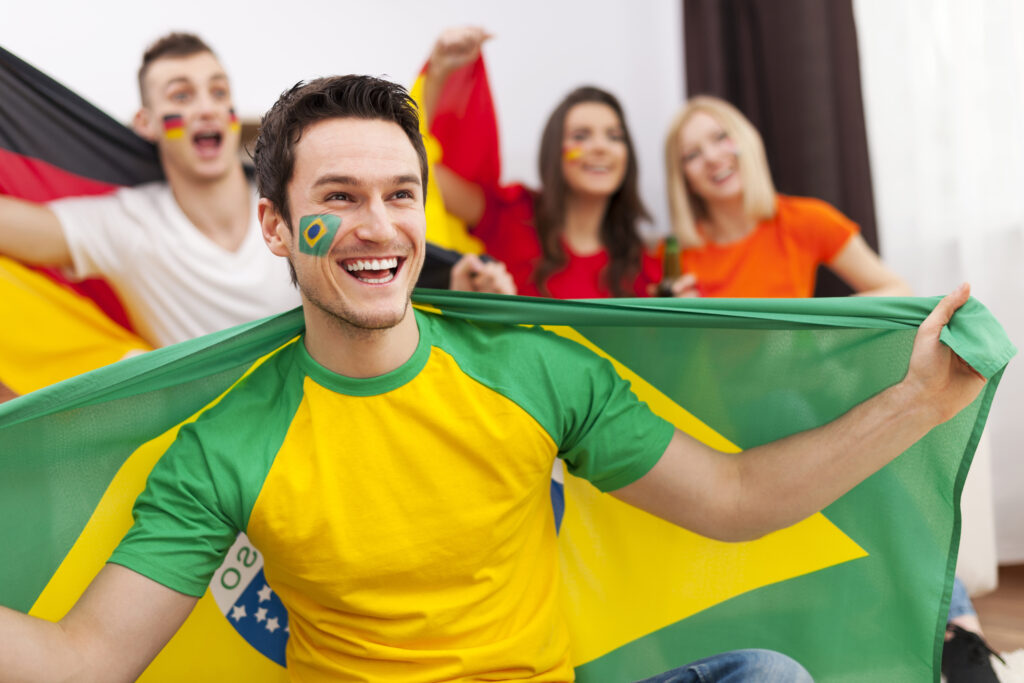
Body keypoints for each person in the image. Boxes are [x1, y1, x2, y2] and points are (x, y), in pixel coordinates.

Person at [0, 74, 985, 682]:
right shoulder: (223, 443)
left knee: (765, 675)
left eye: (399, 194)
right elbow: (86, 660)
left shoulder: (532, 368)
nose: (378, 226)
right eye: (338, 198)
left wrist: (918, 400)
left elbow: (735, 498)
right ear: (277, 227)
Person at [0, 32, 513, 350]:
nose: (206, 107)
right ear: (146, 123)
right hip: (224, 451)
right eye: (182, 95)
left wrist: (451, 282)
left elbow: (372, 245)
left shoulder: (302, 204)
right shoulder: (126, 225)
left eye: (217, 91)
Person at [423, 26, 661, 299]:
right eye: (581, 136)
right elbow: (418, 169)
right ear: (554, 151)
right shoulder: (511, 216)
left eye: (614, 136)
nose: (600, 147)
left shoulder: (642, 266)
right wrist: (438, 72)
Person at [662, 95, 911, 298]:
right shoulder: (672, 255)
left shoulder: (805, 220)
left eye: (720, 137)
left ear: (747, 142)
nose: (712, 157)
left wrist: (832, 323)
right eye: (692, 155)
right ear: (684, 181)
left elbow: (899, 291)